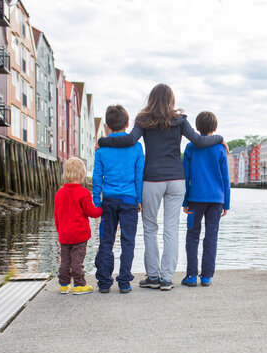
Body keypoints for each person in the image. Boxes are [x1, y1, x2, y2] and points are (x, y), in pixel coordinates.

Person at [97, 84, 227, 291]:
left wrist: (103, 141)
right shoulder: (180, 120)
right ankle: (167, 279)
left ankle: (153, 276)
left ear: (151, 99)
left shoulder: (144, 120)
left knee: (150, 228)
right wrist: (219, 138)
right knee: (171, 228)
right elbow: (200, 141)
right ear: (171, 100)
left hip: (152, 180)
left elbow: (130, 139)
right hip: (176, 180)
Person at [92, 105, 144, 294]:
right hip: (130, 199)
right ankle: (124, 281)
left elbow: (97, 178)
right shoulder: (136, 147)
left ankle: (104, 282)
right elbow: (139, 175)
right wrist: (139, 199)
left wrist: (96, 201)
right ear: (128, 124)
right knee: (127, 241)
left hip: (109, 200)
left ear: (107, 126)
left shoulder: (101, 150)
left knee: (106, 240)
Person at [181, 111, 230, 287]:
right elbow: (225, 178)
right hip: (217, 200)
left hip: (195, 199)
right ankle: (207, 276)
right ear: (215, 128)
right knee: (211, 236)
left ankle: (192, 275)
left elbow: (186, 177)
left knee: (192, 236)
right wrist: (227, 203)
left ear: (197, 128)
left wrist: (185, 201)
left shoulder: (190, 148)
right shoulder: (220, 149)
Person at [54, 157, 102, 295]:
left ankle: (63, 285)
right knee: (77, 261)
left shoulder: (59, 193)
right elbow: (91, 212)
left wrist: (60, 232)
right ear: (81, 176)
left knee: (64, 261)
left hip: (64, 235)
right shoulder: (84, 193)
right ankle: (79, 285)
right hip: (79, 235)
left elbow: (56, 215)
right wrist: (102, 209)